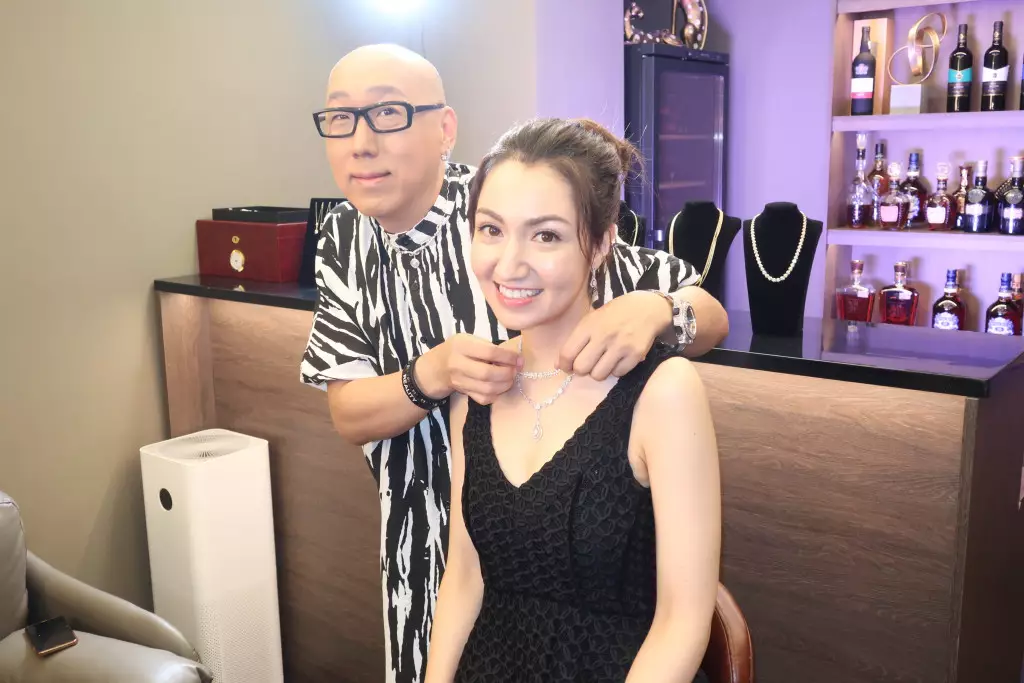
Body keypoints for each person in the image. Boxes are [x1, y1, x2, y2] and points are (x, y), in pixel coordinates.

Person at [300, 43, 729, 683]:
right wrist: (434, 375)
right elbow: (348, 412)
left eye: (387, 114)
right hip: (432, 549)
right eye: (341, 118)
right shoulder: (343, 237)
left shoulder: (513, 188)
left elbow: (702, 308)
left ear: (444, 128)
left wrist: (659, 308)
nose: (362, 143)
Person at [422, 118, 721, 682]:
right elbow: (464, 577)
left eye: (546, 236)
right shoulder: (479, 385)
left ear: (601, 243)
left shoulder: (663, 392)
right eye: (491, 229)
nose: (509, 264)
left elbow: (683, 620)